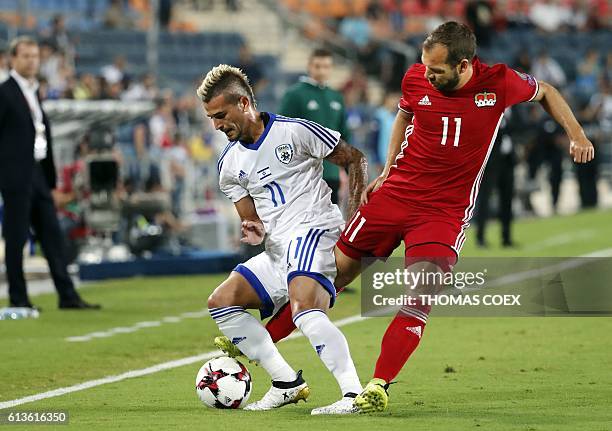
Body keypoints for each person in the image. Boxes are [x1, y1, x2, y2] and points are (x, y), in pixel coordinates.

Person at [235, 21, 595, 413]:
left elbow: (547, 92)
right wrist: (389, 167)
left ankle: (376, 386)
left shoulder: (499, 82)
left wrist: (577, 134)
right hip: (394, 198)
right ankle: (256, 351)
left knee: (418, 295)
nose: (427, 75)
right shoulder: (416, 78)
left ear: (464, 65)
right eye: (425, 67)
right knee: (329, 275)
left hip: (442, 213)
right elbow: (404, 116)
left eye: (437, 70)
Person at [198, 64, 367, 414]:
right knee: (222, 301)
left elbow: (354, 159)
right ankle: (286, 382)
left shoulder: (294, 132)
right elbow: (250, 218)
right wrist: (252, 227)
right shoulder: (229, 164)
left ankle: (353, 394)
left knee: (305, 310)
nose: (216, 125)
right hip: (278, 249)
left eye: (221, 115)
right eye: (211, 118)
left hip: (314, 231)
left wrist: (355, 217)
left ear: (244, 102)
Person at [0, 36, 100, 310]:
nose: (32, 61)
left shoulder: (33, 91)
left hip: (38, 175)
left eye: (35, 56)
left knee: (52, 236)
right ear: (13, 59)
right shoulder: (5, 92)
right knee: (17, 239)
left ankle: (67, 295)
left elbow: (42, 138)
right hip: (15, 176)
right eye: (26, 56)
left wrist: (50, 180)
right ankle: (19, 299)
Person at [278, 48, 350, 206]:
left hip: (331, 172)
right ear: (309, 66)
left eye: (326, 66)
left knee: (331, 224)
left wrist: (344, 170)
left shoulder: (336, 97)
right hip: (304, 173)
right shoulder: (295, 94)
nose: (322, 71)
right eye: (318, 66)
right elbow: (282, 132)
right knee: (306, 223)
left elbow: (344, 135)